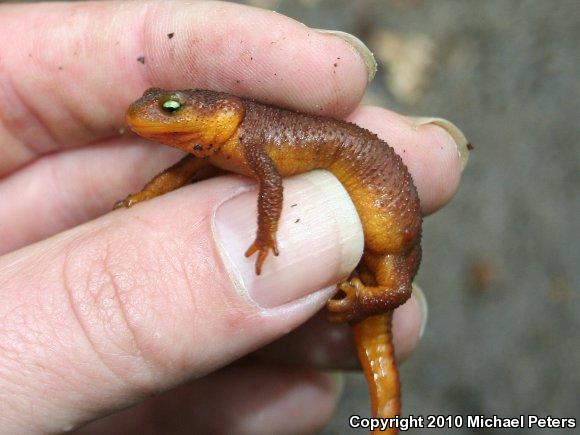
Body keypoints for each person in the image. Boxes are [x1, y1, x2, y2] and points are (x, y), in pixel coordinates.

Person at [0, 1, 469, 433]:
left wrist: (266, 238)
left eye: (171, 109)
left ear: (220, 110)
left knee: (391, 292)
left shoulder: (246, 138)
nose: (158, 119)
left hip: (392, 236)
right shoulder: (214, 148)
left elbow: (272, 182)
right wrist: (141, 197)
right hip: (357, 242)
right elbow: (182, 172)